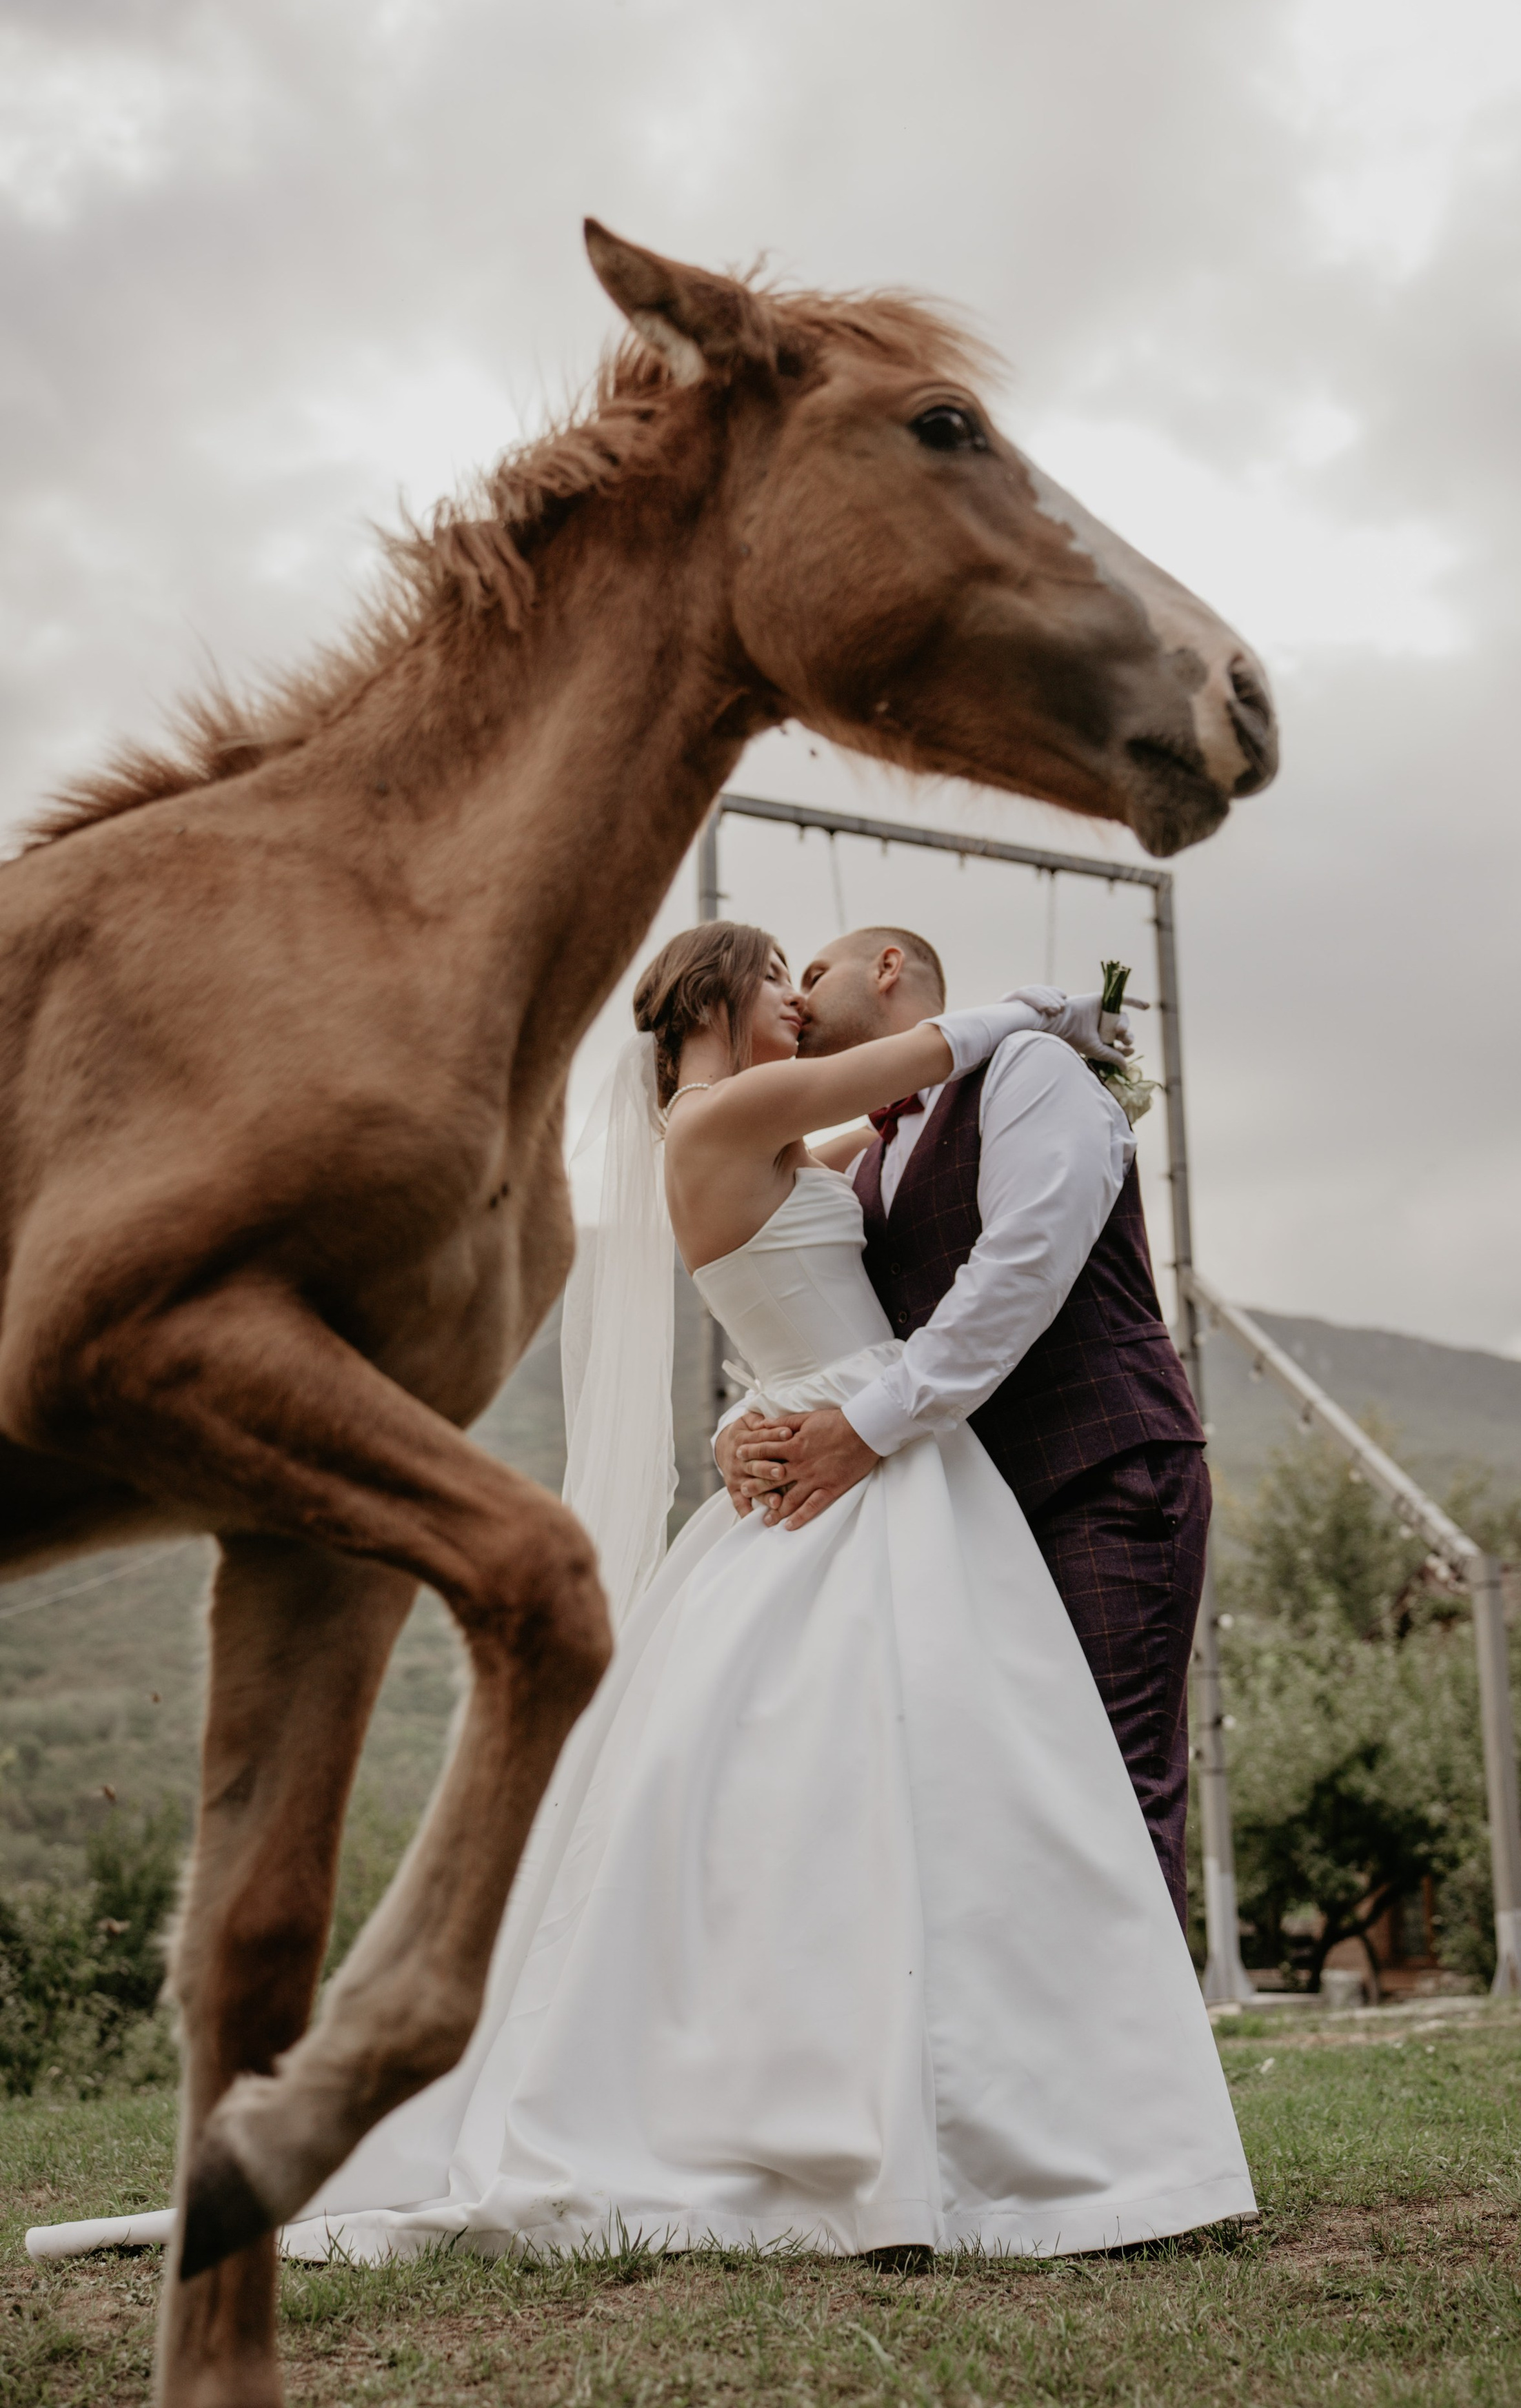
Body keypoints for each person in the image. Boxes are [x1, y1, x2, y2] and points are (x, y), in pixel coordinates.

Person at [30, 924, 1250, 2268]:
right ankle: (934, 2122)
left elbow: (820, 1257)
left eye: (809, 973)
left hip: (877, 1449)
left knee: (948, 1788)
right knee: (888, 1784)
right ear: (717, 996)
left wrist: (754, 1414)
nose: (794, 999)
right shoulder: (721, 1118)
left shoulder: (780, 1139)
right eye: (777, 977)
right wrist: (1052, 1012)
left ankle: (1018, 2105)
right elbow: (924, 1063)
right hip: (862, 1465)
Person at [717, 925, 1210, 1922]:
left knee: (1110, 1789)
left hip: (1102, 1469)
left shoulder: (1030, 1068)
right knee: (1002, 1800)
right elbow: (845, 1331)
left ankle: (1139, 2030)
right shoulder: (869, 1163)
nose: (799, 1000)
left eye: (814, 973)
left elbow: (1023, 1268)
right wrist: (751, 1421)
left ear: (888, 968)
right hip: (974, 1514)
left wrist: (864, 1431)